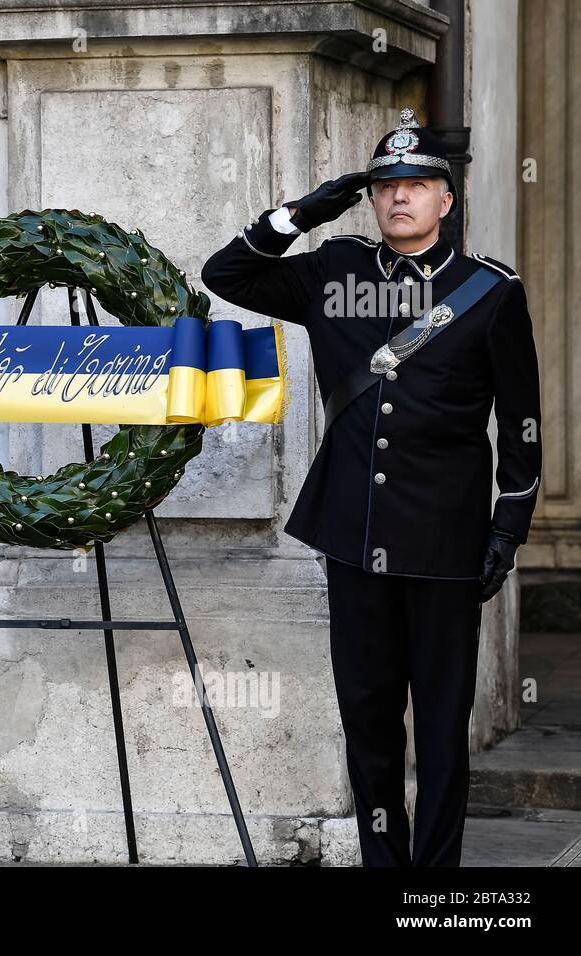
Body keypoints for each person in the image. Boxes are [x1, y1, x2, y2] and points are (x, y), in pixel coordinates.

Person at [201, 108, 542, 866]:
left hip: (448, 540)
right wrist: (303, 213)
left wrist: (508, 529)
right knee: (368, 718)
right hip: (353, 533)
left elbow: (522, 424)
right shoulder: (334, 272)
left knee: (443, 725)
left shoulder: (489, 292)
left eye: (417, 186)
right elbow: (226, 274)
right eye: (385, 187)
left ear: (445, 201)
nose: (399, 199)